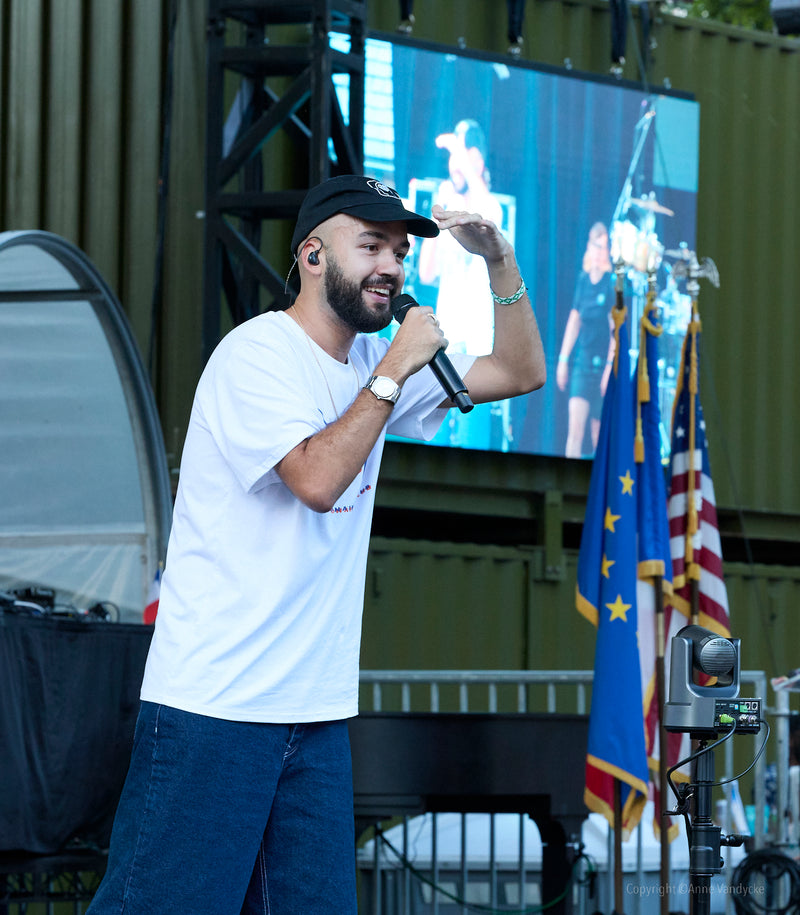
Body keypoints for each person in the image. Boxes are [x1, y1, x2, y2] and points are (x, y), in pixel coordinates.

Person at [87, 174, 545, 915]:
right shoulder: (258, 354)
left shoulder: (369, 368)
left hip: (315, 713)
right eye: (369, 245)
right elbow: (317, 477)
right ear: (310, 255)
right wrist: (397, 366)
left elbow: (520, 372)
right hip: (218, 707)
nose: (391, 266)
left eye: (399, 251)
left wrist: (499, 262)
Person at [417, 119, 505, 355]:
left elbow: (488, 210)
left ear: (479, 163)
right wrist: (438, 216)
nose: (455, 165)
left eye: (464, 157)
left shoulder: (491, 207)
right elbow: (426, 274)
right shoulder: (449, 210)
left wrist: (457, 149)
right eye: (453, 159)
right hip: (449, 336)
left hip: (481, 340)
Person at [556, 222, 617, 458]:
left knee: (597, 435)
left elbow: (615, 334)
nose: (602, 252)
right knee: (575, 432)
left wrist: (609, 370)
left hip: (603, 366)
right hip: (582, 364)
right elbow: (574, 320)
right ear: (589, 248)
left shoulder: (611, 284)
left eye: (605, 247)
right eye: (598, 246)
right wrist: (562, 360)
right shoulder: (583, 281)